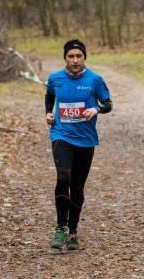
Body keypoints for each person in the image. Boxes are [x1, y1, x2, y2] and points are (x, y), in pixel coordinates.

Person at [44, 39, 113, 250]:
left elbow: (108, 103)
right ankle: (60, 228)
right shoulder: (55, 78)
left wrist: (97, 109)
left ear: (84, 57)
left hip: (85, 139)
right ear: (65, 58)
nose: (75, 60)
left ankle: (73, 230)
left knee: (77, 186)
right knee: (63, 178)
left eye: (78, 56)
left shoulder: (95, 79)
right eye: (71, 56)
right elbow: (50, 95)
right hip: (61, 135)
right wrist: (48, 113)